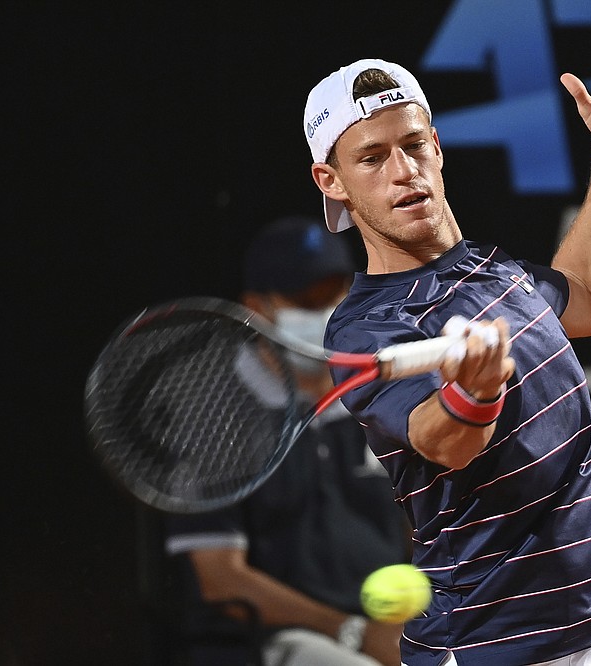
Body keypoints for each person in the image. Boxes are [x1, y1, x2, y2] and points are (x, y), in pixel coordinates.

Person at [302, 24, 591, 666]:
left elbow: (588, 299)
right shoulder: (364, 325)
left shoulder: (492, 270)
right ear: (333, 182)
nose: (403, 172)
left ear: (436, 146)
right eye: (372, 158)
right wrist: (474, 391)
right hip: (490, 646)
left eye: (413, 145)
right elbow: (445, 442)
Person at [162, 216, 411, 666]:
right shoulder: (212, 418)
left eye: (336, 293)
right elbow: (220, 578)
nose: (327, 312)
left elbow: (427, 528)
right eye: (306, 300)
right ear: (257, 309)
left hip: (398, 623)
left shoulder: (380, 398)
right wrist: (352, 631)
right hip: (281, 641)